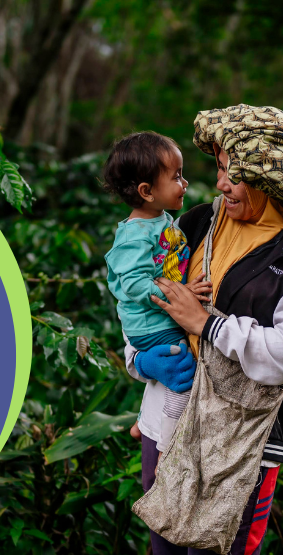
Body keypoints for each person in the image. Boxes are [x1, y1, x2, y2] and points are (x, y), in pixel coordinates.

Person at [125, 105, 283, 555]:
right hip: (170, 423)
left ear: (269, 176)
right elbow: (142, 302)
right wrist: (139, 359)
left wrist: (208, 324)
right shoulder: (198, 223)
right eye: (218, 169)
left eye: (233, 172)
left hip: (241, 441)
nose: (220, 183)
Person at [101, 131, 213, 436]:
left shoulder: (162, 220)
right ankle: (166, 443)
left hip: (158, 319)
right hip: (152, 326)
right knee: (184, 375)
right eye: (176, 176)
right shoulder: (135, 234)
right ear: (147, 191)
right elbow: (135, 285)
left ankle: (142, 422)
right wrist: (181, 294)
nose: (184, 183)